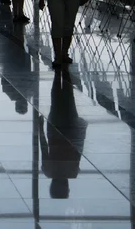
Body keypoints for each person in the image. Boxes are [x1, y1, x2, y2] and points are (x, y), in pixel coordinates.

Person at [38, 69, 87, 199]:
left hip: (70, 131)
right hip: (54, 131)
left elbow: (78, 149)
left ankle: (63, 69)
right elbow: (43, 147)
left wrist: (82, 129)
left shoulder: (73, 172)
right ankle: (58, 70)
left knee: (68, 97)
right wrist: (40, 129)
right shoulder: (49, 171)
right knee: (56, 98)